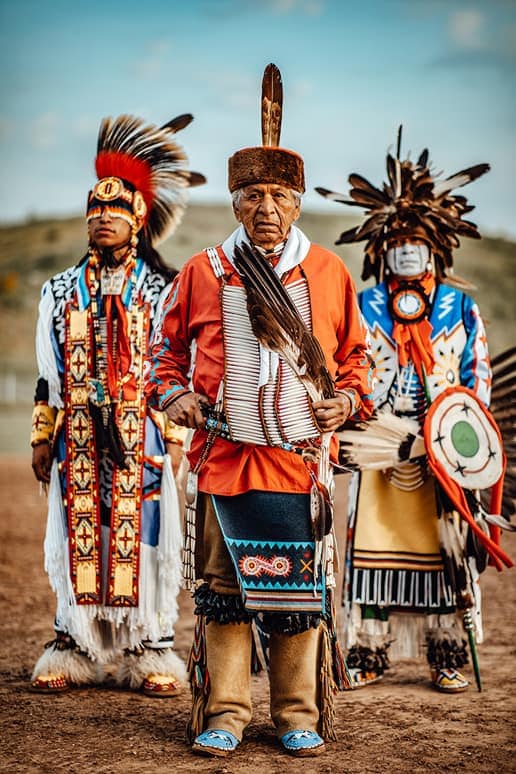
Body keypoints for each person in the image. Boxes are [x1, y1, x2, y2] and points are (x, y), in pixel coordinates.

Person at [146, 64, 374, 758]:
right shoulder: (204, 272)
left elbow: (360, 363)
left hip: (298, 468)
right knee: (224, 595)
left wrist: (345, 400)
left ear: (298, 203)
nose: (265, 207)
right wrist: (176, 394)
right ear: (235, 202)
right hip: (223, 463)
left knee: (299, 600)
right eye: (250, 194)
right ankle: (227, 712)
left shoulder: (330, 274)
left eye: (278, 194)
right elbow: (163, 354)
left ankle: (298, 713)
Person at [30, 112, 205, 696]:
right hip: (75, 437)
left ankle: (147, 646)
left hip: (143, 437)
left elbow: (178, 367)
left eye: (115, 209)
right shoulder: (59, 291)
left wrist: (177, 440)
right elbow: (47, 377)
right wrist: (40, 435)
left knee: (144, 537)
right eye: (94, 209)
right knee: (80, 532)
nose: (102, 217)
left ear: (138, 220)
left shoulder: (163, 290)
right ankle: (74, 642)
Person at [316, 129, 497, 693]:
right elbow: (346, 362)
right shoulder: (366, 303)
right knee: (374, 548)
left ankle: (447, 653)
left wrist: (461, 436)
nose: (406, 246)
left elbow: (477, 376)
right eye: (396, 236)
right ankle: (370, 653)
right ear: (380, 248)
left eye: (417, 237)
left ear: (437, 244)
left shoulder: (459, 307)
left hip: (441, 449)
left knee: (446, 551)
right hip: (379, 445)